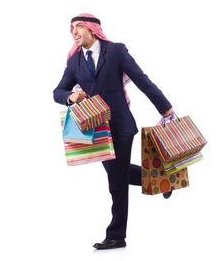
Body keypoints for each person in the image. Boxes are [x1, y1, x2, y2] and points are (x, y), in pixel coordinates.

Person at [53, 13, 174, 250]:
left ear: (93, 29)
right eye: (71, 28)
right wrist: (70, 96)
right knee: (118, 174)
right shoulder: (74, 62)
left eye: (79, 26)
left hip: (120, 125)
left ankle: (116, 234)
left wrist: (165, 108)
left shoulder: (116, 51)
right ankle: (162, 179)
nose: (74, 32)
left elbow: (141, 79)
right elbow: (58, 91)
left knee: (115, 181)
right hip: (95, 130)